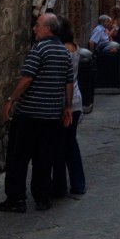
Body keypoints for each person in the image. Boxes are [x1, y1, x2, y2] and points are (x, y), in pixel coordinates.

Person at [0, 12, 73, 213]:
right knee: (43, 159)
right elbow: (68, 83)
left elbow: (27, 78)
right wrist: (67, 107)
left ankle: (16, 198)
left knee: (18, 158)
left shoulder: (38, 50)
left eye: (37, 25)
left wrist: (10, 100)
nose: (34, 28)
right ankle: (42, 198)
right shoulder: (64, 52)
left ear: (48, 29)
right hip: (51, 116)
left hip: (29, 115)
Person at [51, 18, 85, 198]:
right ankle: (77, 183)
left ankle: (60, 186)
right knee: (70, 143)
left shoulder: (62, 50)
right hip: (76, 100)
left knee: (61, 145)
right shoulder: (75, 47)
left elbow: (63, 79)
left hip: (65, 102)